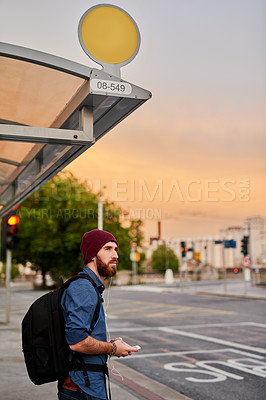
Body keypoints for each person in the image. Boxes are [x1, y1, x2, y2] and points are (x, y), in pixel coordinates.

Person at [58, 229, 138, 400]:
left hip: (86, 385)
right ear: (92, 255)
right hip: (83, 388)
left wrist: (110, 344)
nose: (115, 255)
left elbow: (82, 335)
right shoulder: (83, 288)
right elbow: (77, 342)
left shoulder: (90, 287)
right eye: (108, 249)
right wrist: (113, 348)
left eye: (116, 249)